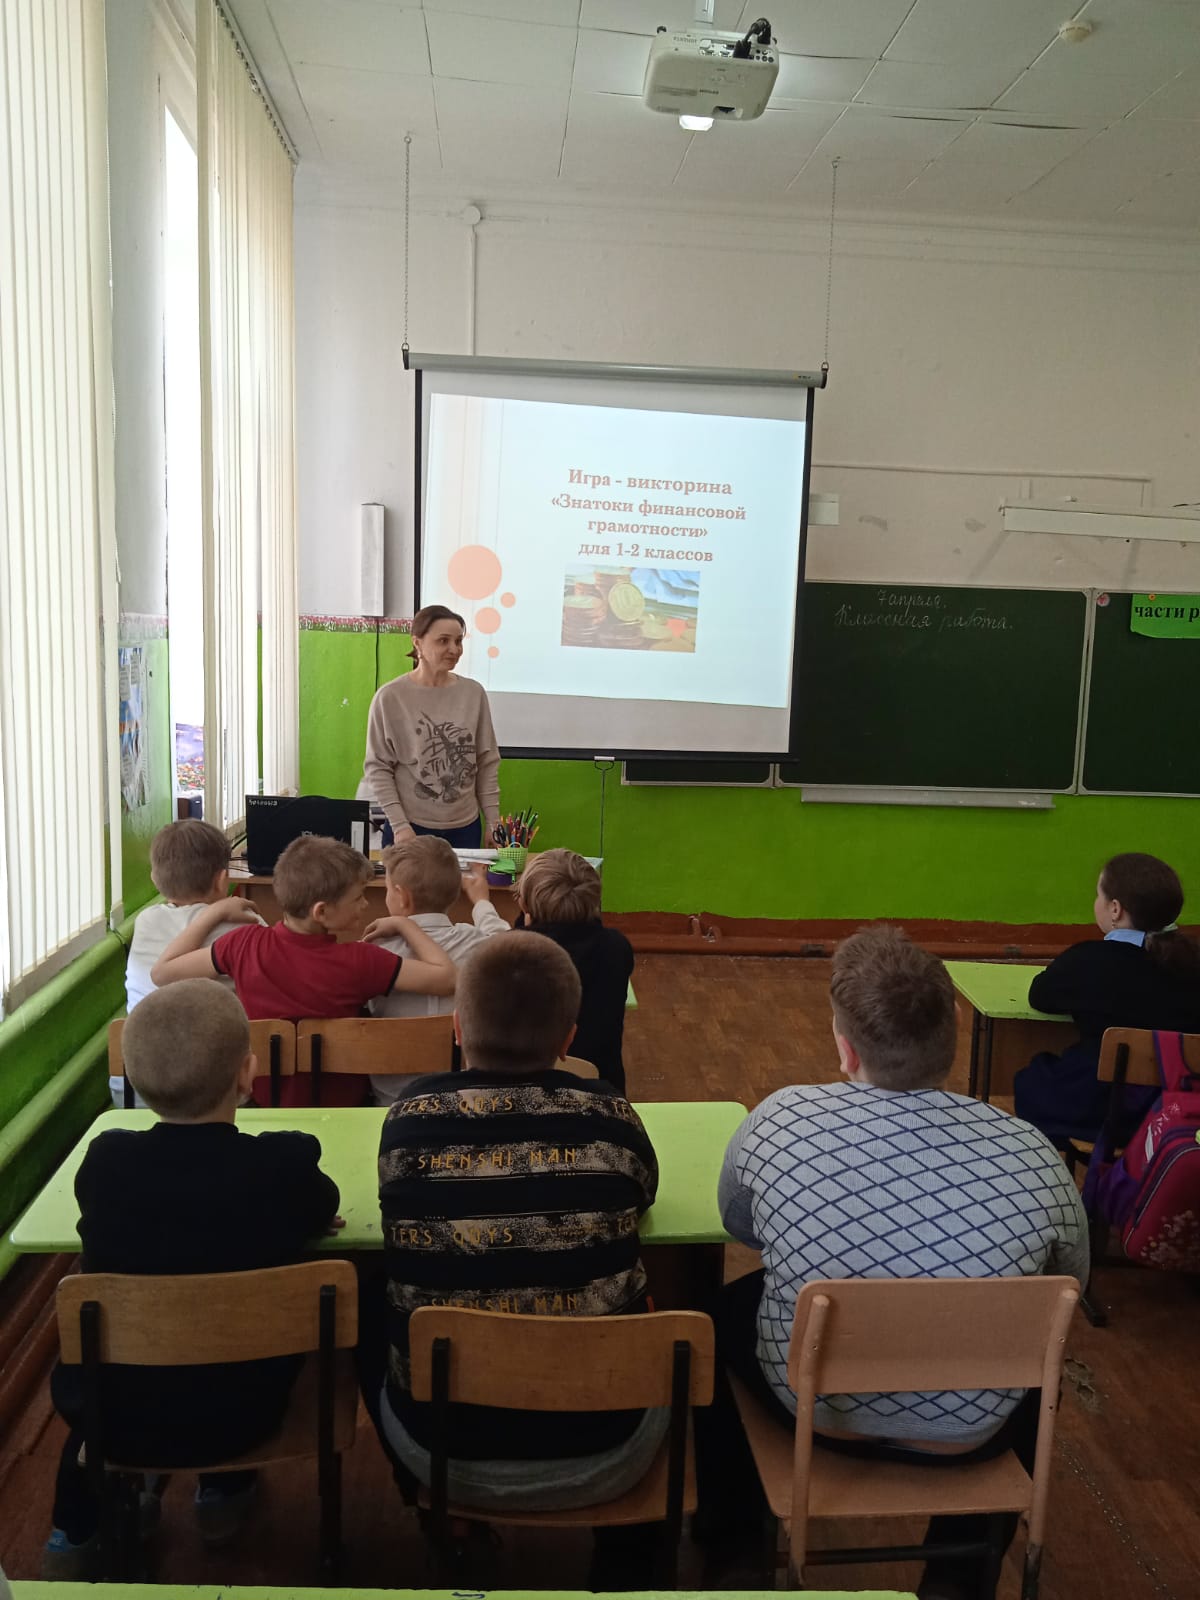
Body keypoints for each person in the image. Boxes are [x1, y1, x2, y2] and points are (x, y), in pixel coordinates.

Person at [705, 926, 1088, 1600]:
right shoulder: (1031, 1150)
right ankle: (958, 1580)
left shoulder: (780, 1118)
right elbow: (1070, 1281)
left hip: (812, 1407)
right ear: (952, 1039)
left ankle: (731, 1548)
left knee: (708, 1322)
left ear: (845, 1048)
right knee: (1036, 1349)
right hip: (973, 1428)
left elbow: (741, 1226)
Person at [43, 982, 342, 1577]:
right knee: (224, 1350)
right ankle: (222, 1493)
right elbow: (322, 1202)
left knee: (102, 1384)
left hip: (118, 1416)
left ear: (134, 1076)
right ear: (247, 1075)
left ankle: (74, 1535)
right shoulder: (281, 1167)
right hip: (250, 1411)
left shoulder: (105, 1164)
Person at [364, 933, 662, 1528]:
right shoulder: (611, 1116)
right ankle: (628, 1558)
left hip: (439, 1453)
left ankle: (434, 1521)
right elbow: (644, 1192)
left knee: (363, 1297)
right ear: (570, 1039)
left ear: (457, 1029)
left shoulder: (408, 1121)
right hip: (611, 1447)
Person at [150, 835, 456, 1105]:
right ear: (321, 911)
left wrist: (213, 913)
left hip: (266, 1103)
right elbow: (446, 977)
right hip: (346, 1108)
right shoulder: (362, 960)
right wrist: (405, 924)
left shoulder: (242, 944)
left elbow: (162, 973)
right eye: (358, 897)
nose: (365, 904)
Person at [1016, 852, 1200, 1145]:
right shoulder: (1192, 961)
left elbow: (1040, 995)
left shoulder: (1087, 960)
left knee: (1031, 1078)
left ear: (1115, 909)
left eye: (1098, 895)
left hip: (1102, 1110)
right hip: (1179, 1110)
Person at [115, 819, 261, 1107]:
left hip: (136, 1093)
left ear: (155, 879)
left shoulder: (145, 921)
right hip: (220, 1094)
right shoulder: (246, 922)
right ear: (223, 879)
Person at [364, 837, 508, 1104]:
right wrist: (481, 902)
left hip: (390, 1100)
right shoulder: (481, 946)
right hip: (462, 1099)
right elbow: (504, 939)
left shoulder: (376, 952)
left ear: (402, 897)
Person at [363, 603, 501, 848]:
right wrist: (400, 826)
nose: (454, 649)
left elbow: (487, 761)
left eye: (458, 641)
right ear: (417, 643)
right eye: (443, 641)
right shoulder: (390, 697)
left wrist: (493, 821)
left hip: (465, 827)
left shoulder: (473, 693)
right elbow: (378, 767)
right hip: (410, 827)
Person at [514, 849, 634, 1094]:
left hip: (524, 1089)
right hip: (602, 1088)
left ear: (524, 904)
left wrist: (522, 926)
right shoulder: (616, 947)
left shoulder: (512, 952)